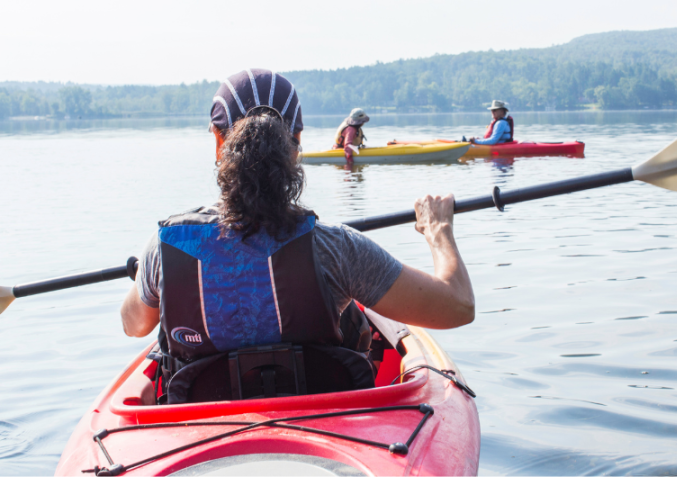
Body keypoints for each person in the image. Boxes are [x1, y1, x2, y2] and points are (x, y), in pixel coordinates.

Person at [120, 69, 474, 403]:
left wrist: (148, 279)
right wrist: (438, 230)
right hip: (331, 429)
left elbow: (133, 325)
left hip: (203, 433)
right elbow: (457, 307)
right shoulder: (337, 249)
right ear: (296, 147)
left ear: (218, 143)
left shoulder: (164, 251)